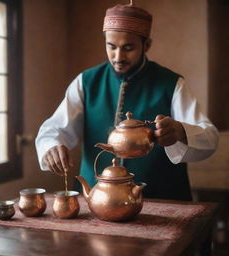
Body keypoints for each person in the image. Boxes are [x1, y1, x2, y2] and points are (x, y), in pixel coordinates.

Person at [35, 2, 218, 202]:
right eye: (111, 47)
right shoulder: (86, 82)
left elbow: (209, 136)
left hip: (160, 201)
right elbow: (54, 130)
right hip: (97, 202)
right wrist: (51, 146)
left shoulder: (171, 84)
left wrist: (180, 131)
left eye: (128, 48)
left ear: (146, 45)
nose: (118, 57)